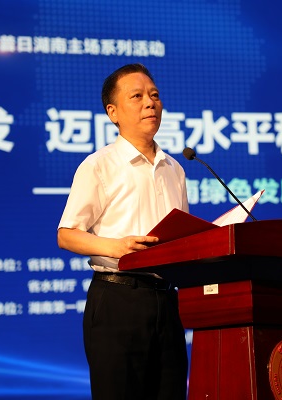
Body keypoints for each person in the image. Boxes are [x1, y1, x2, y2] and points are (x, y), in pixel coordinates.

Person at [57, 63, 189, 400]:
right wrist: (117, 247)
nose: (150, 103)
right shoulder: (99, 165)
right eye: (137, 96)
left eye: (154, 95)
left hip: (167, 301)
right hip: (118, 299)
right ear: (113, 112)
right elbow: (67, 234)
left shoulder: (175, 168)